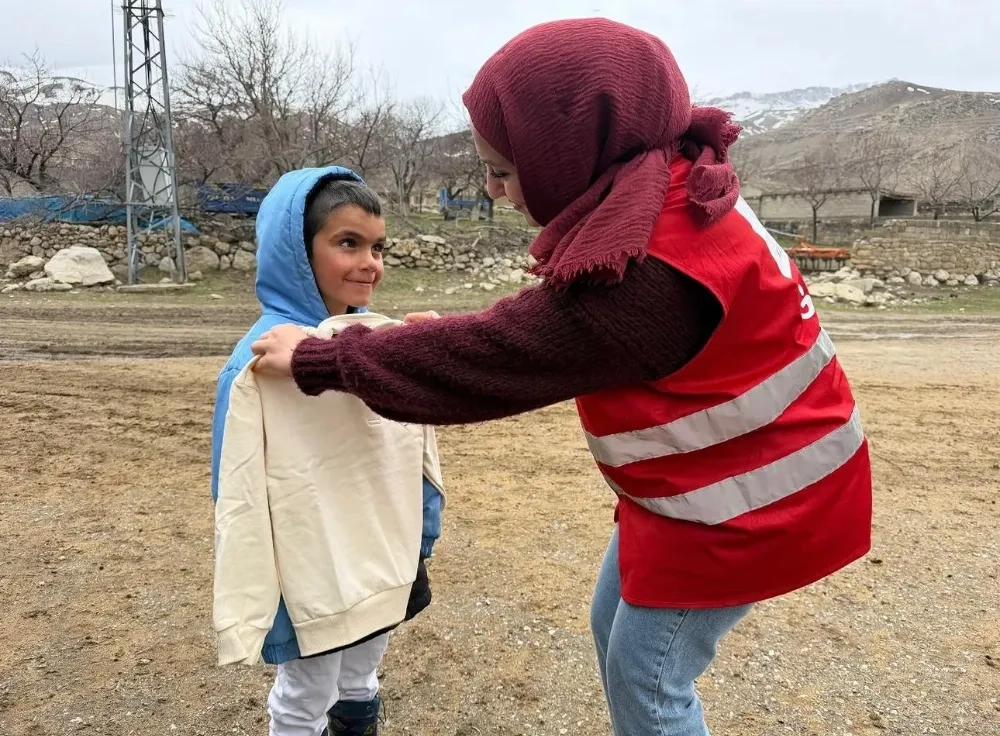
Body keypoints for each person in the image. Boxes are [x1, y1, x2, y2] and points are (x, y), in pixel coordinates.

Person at [248, 18, 872, 736]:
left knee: (648, 676)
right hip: (708, 479)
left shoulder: (648, 275)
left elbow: (501, 357)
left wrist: (324, 359)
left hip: (752, 499)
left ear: (573, 153)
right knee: (615, 630)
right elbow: (548, 324)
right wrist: (418, 337)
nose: (492, 189)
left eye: (505, 170)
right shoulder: (673, 184)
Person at [210, 167, 445, 736]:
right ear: (296, 250)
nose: (370, 263)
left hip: (382, 550)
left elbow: (407, 446)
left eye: (377, 247)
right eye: (348, 243)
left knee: (363, 670)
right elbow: (237, 488)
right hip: (313, 564)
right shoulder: (256, 367)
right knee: (308, 690)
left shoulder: (376, 346)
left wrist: (423, 528)